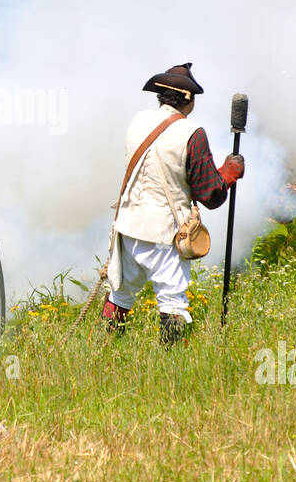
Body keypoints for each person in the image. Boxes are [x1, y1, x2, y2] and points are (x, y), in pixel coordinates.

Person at [103, 63, 244, 345]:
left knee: (120, 294)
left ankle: (107, 351)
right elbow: (210, 195)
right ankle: (172, 362)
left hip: (129, 225)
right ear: (188, 99)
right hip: (166, 233)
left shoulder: (138, 121)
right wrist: (227, 175)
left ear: (162, 95)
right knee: (172, 301)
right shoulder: (192, 133)